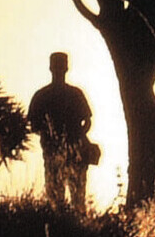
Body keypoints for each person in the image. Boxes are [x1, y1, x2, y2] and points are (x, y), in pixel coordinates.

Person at [27, 51, 93, 212]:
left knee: (59, 202)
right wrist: (77, 136)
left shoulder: (42, 95)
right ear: (66, 67)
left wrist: (51, 137)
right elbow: (88, 121)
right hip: (68, 154)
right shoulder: (74, 94)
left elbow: (33, 126)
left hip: (58, 154)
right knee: (74, 201)